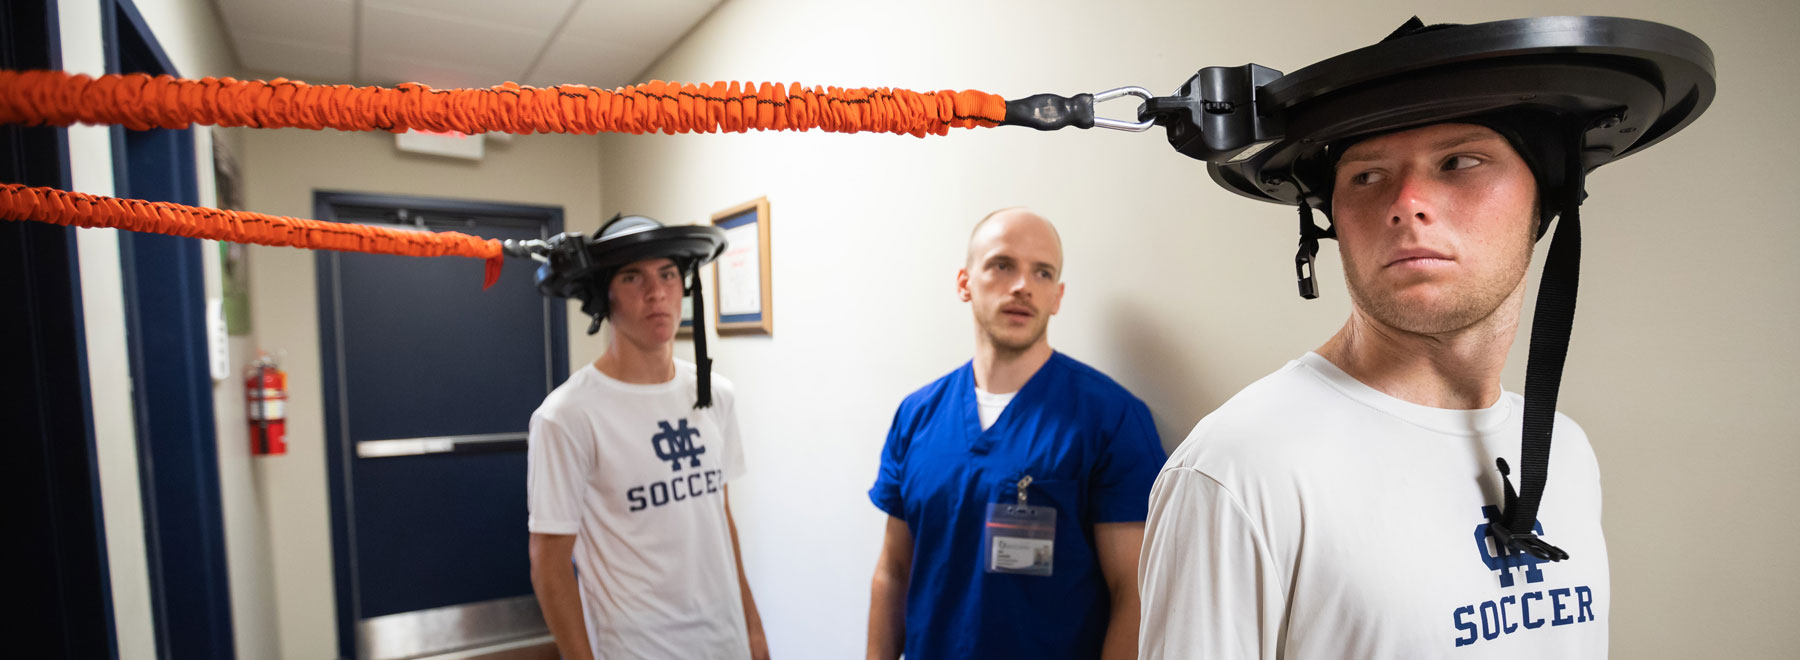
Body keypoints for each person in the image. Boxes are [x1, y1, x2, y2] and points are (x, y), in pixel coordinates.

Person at [1136, 16, 1714, 660]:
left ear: (1545, 198)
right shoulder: (1241, 469)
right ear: (1331, 223)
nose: (1407, 201)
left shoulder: (1565, 453)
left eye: (1459, 161)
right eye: (1367, 175)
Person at [866, 208, 1167, 660]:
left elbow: (1136, 594)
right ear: (965, 282)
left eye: (1042, 272)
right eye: (1002, 265)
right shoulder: (917, 416)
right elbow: (893, 571)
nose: (1022, 285)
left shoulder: (1111, 419)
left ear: (1057, 297)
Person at [525, 214, 768, 659]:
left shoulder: (716, 395)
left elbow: (720, 517)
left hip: (724, 640)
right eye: (633, 276)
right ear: (604, 296)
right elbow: (549, 560)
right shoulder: (567, 416)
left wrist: (753, 630)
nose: (656, 293)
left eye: (668, 275)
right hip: (637, 648)